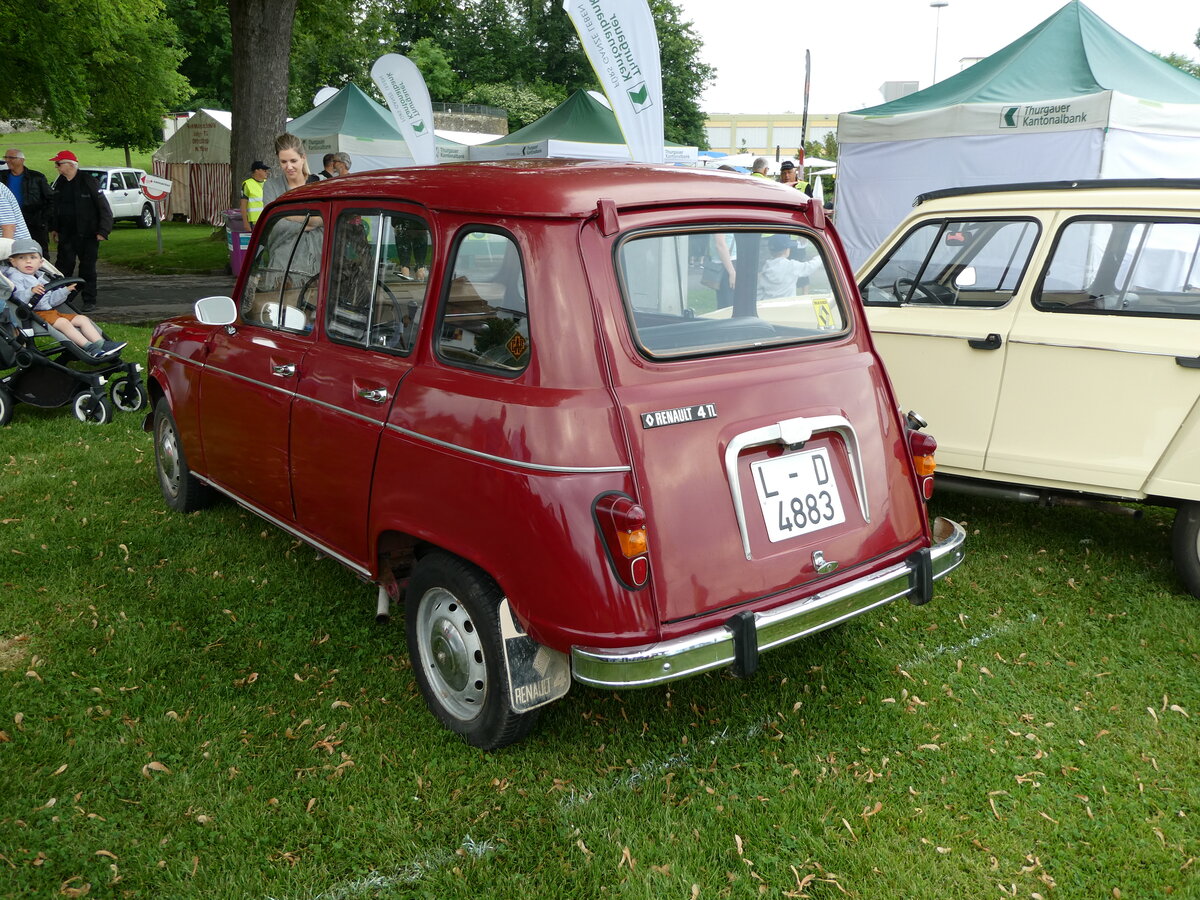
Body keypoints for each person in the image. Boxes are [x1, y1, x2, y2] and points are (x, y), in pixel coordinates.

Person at [2, 238, 125, 359]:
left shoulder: (40, 277)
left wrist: (65, 291)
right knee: (63, 323)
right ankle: (89, 348)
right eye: (22, 258)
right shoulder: (15, 276)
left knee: (82, 319)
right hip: (34, 314)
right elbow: (18, 297)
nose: (28, 262)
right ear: (13, 262)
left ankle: (101, 344)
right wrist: (30, 291)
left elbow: (51, 301)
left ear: (40, 263)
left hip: (50, 313)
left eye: (32, 257)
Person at [48, 150, 112, 312]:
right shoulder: (60, 183)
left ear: (70, 164)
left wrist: (103, 230)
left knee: (87, 268)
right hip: (66, 233)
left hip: (88, 233)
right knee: (63, 267)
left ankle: (89, 299)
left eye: (59, 164)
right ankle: (63, 298)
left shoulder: (88, 181)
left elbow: (103, 207)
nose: (57, 167)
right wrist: (54, 228)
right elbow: (56, 208)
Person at [261, 134, 323, 287]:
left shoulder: (320, 183)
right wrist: (313, 220)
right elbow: (275, 226)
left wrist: (288, 214)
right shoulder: (272, 187)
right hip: (283, 268)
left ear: (303, 158)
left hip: (319, 265)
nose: (289, 167)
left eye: (293, 161)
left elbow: (326, 219)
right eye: (283, 161)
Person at [0, 149, 52, 253]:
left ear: (22, 160)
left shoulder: (37, 177)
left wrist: (42, 220)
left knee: (37, 253)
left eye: (11, 158)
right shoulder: (2, 176)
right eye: (6, 158)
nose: (8, 161)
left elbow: (51, 199)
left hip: (34, 223)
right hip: (9, 221)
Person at [757, 233, 824, 300]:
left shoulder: (765, 268)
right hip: (787, 306)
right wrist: (820, 257)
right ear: (787, 250)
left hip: (769, 306)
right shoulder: (792, 266)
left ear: (770, 251)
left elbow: (759, 291)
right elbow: (809, 267)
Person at [239, 160, 270, 227]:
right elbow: (243, 205)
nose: (266, 172)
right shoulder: (247, 184)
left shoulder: (268, 184)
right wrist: (245, 223)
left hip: (268, 220)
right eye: (264, 170)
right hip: (255, 223)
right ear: (256, 170)